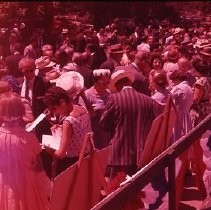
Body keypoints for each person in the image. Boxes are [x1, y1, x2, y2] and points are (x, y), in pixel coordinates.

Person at [0, 92, 51, 210]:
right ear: (20, 111)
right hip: (27, 184)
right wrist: (47, 188)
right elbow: (39, 167)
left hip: (5, 184)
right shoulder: (29, 138)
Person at [43, 86, 92, 176]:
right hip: (86, 158)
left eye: (54, 108)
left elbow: (60, 154)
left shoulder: (68, 121)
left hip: (70, 164)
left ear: (62, 103)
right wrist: (62, 128)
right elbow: (79, 130)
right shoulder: (83, 109)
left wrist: (48, 149)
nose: (55, 113)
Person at [79, 69, 111, 149]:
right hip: (95, 132)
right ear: (95, 82)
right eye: (104, 83)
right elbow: (86, 116)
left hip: (107, 132)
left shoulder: (108, 92)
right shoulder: (87, 95)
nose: (106, 86)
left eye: (108, 83)